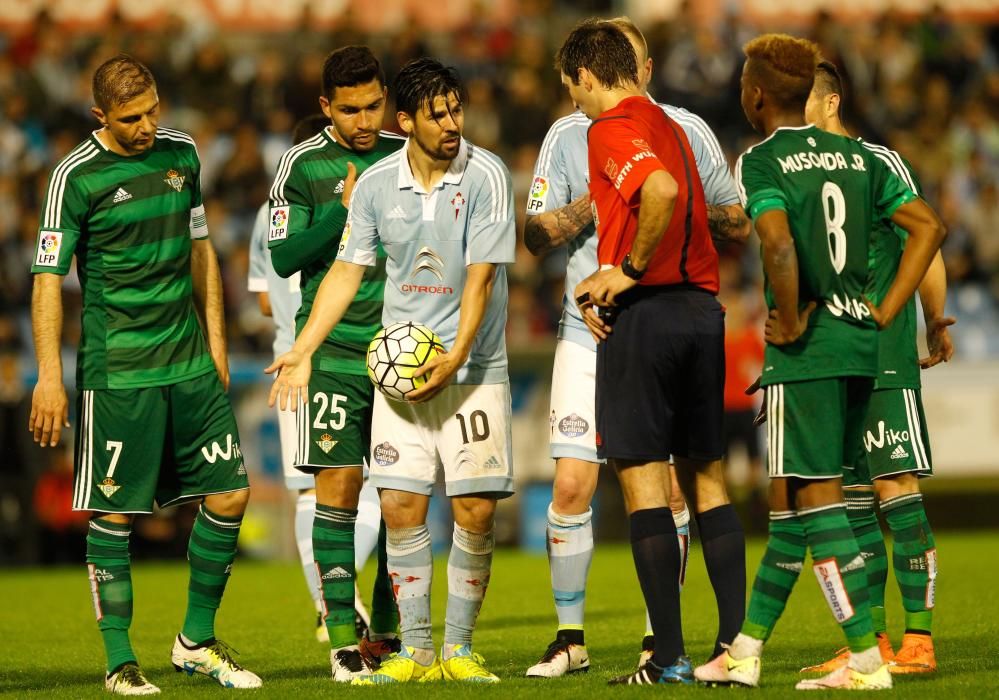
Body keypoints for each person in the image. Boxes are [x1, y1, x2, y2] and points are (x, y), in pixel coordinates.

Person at [695, 34, 945, 691]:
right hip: (865, 344)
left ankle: (866, 657)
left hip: (808, 352)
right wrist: (888, 311)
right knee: (793, 503)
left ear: (753, 97)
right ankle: (746, 649)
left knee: (813, 500)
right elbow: (929, 228)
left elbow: (775, 244)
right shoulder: (861, 159)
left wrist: (790, 313)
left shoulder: (763, 159)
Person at [268, 57, 515, 685]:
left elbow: (483, 277)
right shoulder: (376, 183)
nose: (452, 123)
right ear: (408, 122)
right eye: (437, 114)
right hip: (396, 373)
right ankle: (417, 652)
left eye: (457, 109)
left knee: (476, 513)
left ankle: (459, 649)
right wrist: (302, 348)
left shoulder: (486, 174)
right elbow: (345, 272)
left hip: (472, 367)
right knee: (400, 507)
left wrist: (455, 356)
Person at [524, 16, 750, 678]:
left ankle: (667, 652)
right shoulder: (670, 130)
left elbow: (663, 192)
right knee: (700, 478)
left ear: (592, 76)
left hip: (634, 317)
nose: (573, 100)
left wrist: (625, 268)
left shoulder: (612, 128)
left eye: (574, 87)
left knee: (648, 485)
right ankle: (732, 652)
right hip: (695, 310)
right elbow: (539, 231)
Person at [28, 54, 261, 694]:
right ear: (100, 115)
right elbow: (47, 280)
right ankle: (118, 661)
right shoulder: (74, 178)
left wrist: (215, 338)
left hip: (187, 360)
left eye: (154, 109)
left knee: (230, 492)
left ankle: (195, 641)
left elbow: (201, 251)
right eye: (132, 118)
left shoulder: (181, 155)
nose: (148, 126)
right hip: (119, 368)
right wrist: (49, 376)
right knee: (117, 513)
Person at [799, 59, 951, 677]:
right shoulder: (798, 172)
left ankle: (920, 638)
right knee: (854, 501)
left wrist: (934, 318)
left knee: (896, 489)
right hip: (830, 360)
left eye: (802, 98)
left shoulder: (878, 162)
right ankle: (875, 641)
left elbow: (926, 237)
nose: (793, 110)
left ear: (830, 103)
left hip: (883, 354)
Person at [265, 46, 404, 681]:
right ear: (327, 106)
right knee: (338, 493)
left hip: (404, 353)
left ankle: (392, 633)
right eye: (350, 109)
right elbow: (285, 256)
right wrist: (344, 214)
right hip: (334, 350)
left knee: (406, 500)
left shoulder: (407, 154)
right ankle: (344, 643)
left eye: (374, 104)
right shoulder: (302, 164)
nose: (364, 119)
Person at [248, 112, 387, 646]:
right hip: (323, 356)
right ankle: (341, 602)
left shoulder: (267, 214)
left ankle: (328, 603)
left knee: (313, 492)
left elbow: (263, 298)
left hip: (290, 352)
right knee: (363, 485)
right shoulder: (364, 194)